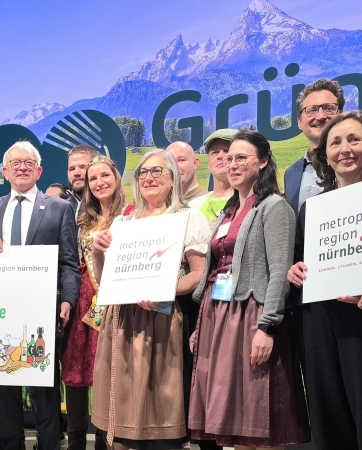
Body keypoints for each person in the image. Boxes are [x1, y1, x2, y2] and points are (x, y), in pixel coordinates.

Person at [287, 111, 362, 449]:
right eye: (335, 142)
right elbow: (302, 257)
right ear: (324, 155)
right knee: (328, 415)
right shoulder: (313, 208)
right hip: (319, 320)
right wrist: (295, 270)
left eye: (354, 139)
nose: (345, 149)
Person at [189, 130, 310, 449]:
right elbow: (217, 270)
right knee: (238, 425)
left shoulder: (274, 207)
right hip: (222, 317)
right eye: (228, 158)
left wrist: (267, 327)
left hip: (254, 318)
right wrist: (203, 326)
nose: (232, 163)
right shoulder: (228, 212)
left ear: (264, 161)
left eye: (241, 157)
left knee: (259, 419)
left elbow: (280, 271)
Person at [90, 150, 210, 450]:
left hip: (162, 321)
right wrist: (98, 252)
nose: (149, 177)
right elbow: (107, 282)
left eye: (157, 171)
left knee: (160, 403)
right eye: (143, 172)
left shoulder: (187, 217)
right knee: (121, 415)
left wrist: (163, 290)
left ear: (173, 179)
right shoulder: (123, 222)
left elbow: (197, 274)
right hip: (120, 323)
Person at [0, 141, 80, 450]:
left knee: (43, 388)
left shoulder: (59, 208)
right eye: (15, 162)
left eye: (28, 162)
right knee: (4, 387)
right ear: (5, 171)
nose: (22, 167)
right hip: (1, 310)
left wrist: (68, 299)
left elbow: (69, 261)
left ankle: (49, 445)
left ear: (39, 170)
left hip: (41, 311)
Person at [61, 156, 126, 450]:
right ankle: (75, 441)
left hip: (114, 302)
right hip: (83, 306)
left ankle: (106, 441)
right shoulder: (82, 220)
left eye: (104, 176)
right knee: (75, 375)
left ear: (116, 177)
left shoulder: (131, 215)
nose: (99, 183)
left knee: (108, 375)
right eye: (92, 179)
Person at [283, 79, 345, 216]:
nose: (321, 116)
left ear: (340, 115)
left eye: (329, 108)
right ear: (299, 122)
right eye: (312, 110)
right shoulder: (291, 174)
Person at [188, 130, 236, 224]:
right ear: (208, 162)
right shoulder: (194, 206)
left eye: (227, 150)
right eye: (215, 152)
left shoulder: (251, 201)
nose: (220, 156)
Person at [66, 145, 99, 214]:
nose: (76, 173)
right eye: (72, 169)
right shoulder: (61, 209)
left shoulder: (110, 207)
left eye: (82, 167)